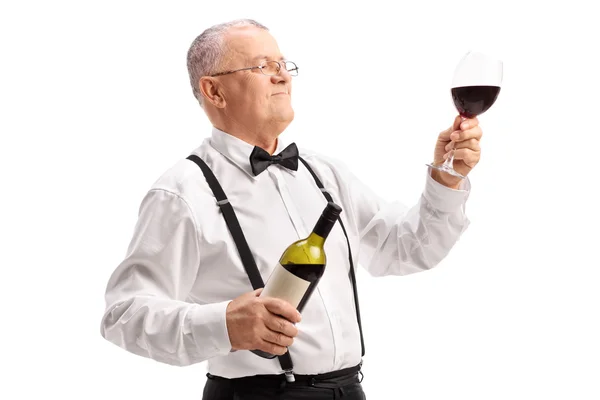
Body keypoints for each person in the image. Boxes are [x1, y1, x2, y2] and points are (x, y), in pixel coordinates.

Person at [100, 19, 483, 400]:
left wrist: (447, 181)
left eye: (283, 65)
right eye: (262, 66)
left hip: (349, 390)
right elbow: (123, 314)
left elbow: (404, 249)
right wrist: (223, 326)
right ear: (214, 90)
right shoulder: (182, 190)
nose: (282, 76)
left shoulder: (323, 172)